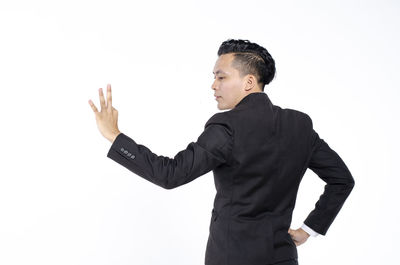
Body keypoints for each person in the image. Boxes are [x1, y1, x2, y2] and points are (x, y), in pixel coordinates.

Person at [88, 39, 355, 265]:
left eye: (221, 77)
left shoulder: (227, 126)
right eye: (214, 78)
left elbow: (170, 174)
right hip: (282, 256)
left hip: (231, 257)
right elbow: (342, 179)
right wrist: (308, 230)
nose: (213, 85)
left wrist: (115, 135)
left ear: (249, 81)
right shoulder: (299, 124)